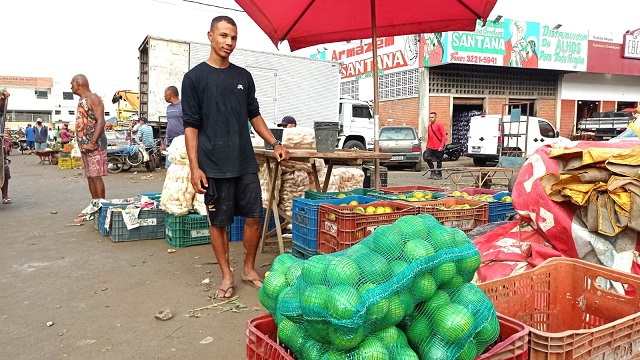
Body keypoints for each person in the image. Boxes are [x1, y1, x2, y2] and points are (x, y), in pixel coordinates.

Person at [183, 15, 290, 299]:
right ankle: (227, 274)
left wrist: (274, 142)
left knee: (255, 216)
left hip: (244, 162)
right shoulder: (194, 78)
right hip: (213, 164)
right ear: (210, 36)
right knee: (219, 222)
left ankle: (248, 268)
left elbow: (254, 114)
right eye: (223, 36)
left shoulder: (243, 77)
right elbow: (190, 126)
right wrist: (195, 168)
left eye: (233, 38)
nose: (229, 42)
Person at [70, 74, 108, 214]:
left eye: (72, 83)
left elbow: (101, 121)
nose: (71, 87)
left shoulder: (93, 98)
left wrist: (92, 142)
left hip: (95, 145)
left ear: (78, 83)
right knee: (90, 177)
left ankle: (102, 208)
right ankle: (95, 205)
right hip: (85, 146)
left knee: (96, 176)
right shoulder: (82, 100)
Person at [162, 85, 183, 168]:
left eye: (165, 94)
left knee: (180, 167)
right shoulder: (169, 108)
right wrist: (164, 143)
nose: (164, 96)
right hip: (170, 143)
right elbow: (169, 125)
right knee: (169, 167)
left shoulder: (184, 105)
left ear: (170, 94)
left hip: (181, 143)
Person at [424, 111, 446, 180]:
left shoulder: (439, 125)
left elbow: (444, 136)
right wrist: (427, 145)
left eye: (432, 117)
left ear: (436, 117)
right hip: (430, 146)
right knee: (427, 158)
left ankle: (439, 174)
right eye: (430, 117)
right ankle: (432, 171)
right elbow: (429, 136)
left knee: (439, 161)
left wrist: (441, 146)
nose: (431, 119)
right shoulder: (429, 126)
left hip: (438, 147)